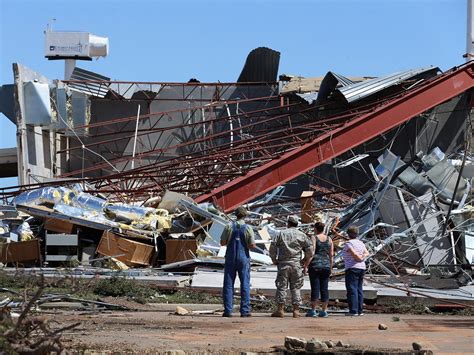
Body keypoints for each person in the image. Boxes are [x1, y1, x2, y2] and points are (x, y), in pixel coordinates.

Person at [269, 215, 313, 318]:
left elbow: (273, 248)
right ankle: (296, 311)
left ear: (288, 223)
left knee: (281, 287)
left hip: (283, 264)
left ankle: (280, 310)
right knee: (296, 287)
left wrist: (274, 259)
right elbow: (310, 251)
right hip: (296, 264)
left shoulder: (281, 234)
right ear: (297, 224)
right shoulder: (302, 235)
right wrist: (304, 260)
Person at [221, 206, 256, 317]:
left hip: (230, 257)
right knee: (245, 283)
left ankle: (228, 311)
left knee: (228, 284)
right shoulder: (248, 228)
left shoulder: (228, 226)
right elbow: (252, 245)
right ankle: (244, 311)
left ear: (236, 215)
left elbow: (222, 242)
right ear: (245, 215)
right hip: (243, 258)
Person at [304, 221, 333, 318]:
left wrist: (305, 266)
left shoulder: (314, 237)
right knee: (324, 288)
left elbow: (312, 252)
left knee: (315, 288)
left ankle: (313, 310)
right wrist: (331, 266)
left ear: (315, 229)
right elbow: (331, 254)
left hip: (315, 265)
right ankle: (324, 311)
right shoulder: (329, 239)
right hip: (326, 265)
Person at [343, 226, 370, 316]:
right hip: (361, 267)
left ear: (349, 234)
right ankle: (360, 310)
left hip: (352, 267)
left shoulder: (348, 243)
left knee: (352, 289)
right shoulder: (361, 243)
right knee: (359, 289)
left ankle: (353, 310)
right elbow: (367, 252)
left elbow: (354, 254)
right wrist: (362, 257)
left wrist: (359, 258)